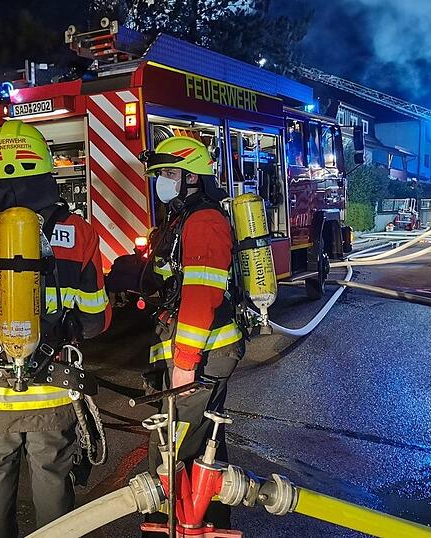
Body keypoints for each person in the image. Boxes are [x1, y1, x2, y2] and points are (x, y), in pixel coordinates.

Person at [0, 120, 111, 537]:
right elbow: (95, 320)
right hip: (51, 396)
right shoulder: (78, 233)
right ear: (47, 169)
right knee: (57, 508)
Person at [140, 136, 244, 530]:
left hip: (200, 358)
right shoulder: (184, 218)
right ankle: (206, 525)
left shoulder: (203, 221)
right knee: (203, 446)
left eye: (169, 173)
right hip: (195, 351)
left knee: (173, 450)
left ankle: (178, 526)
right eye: (160, 174)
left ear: (192, 178)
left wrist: (183, 365)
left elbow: (201, 297)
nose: (162, 182)